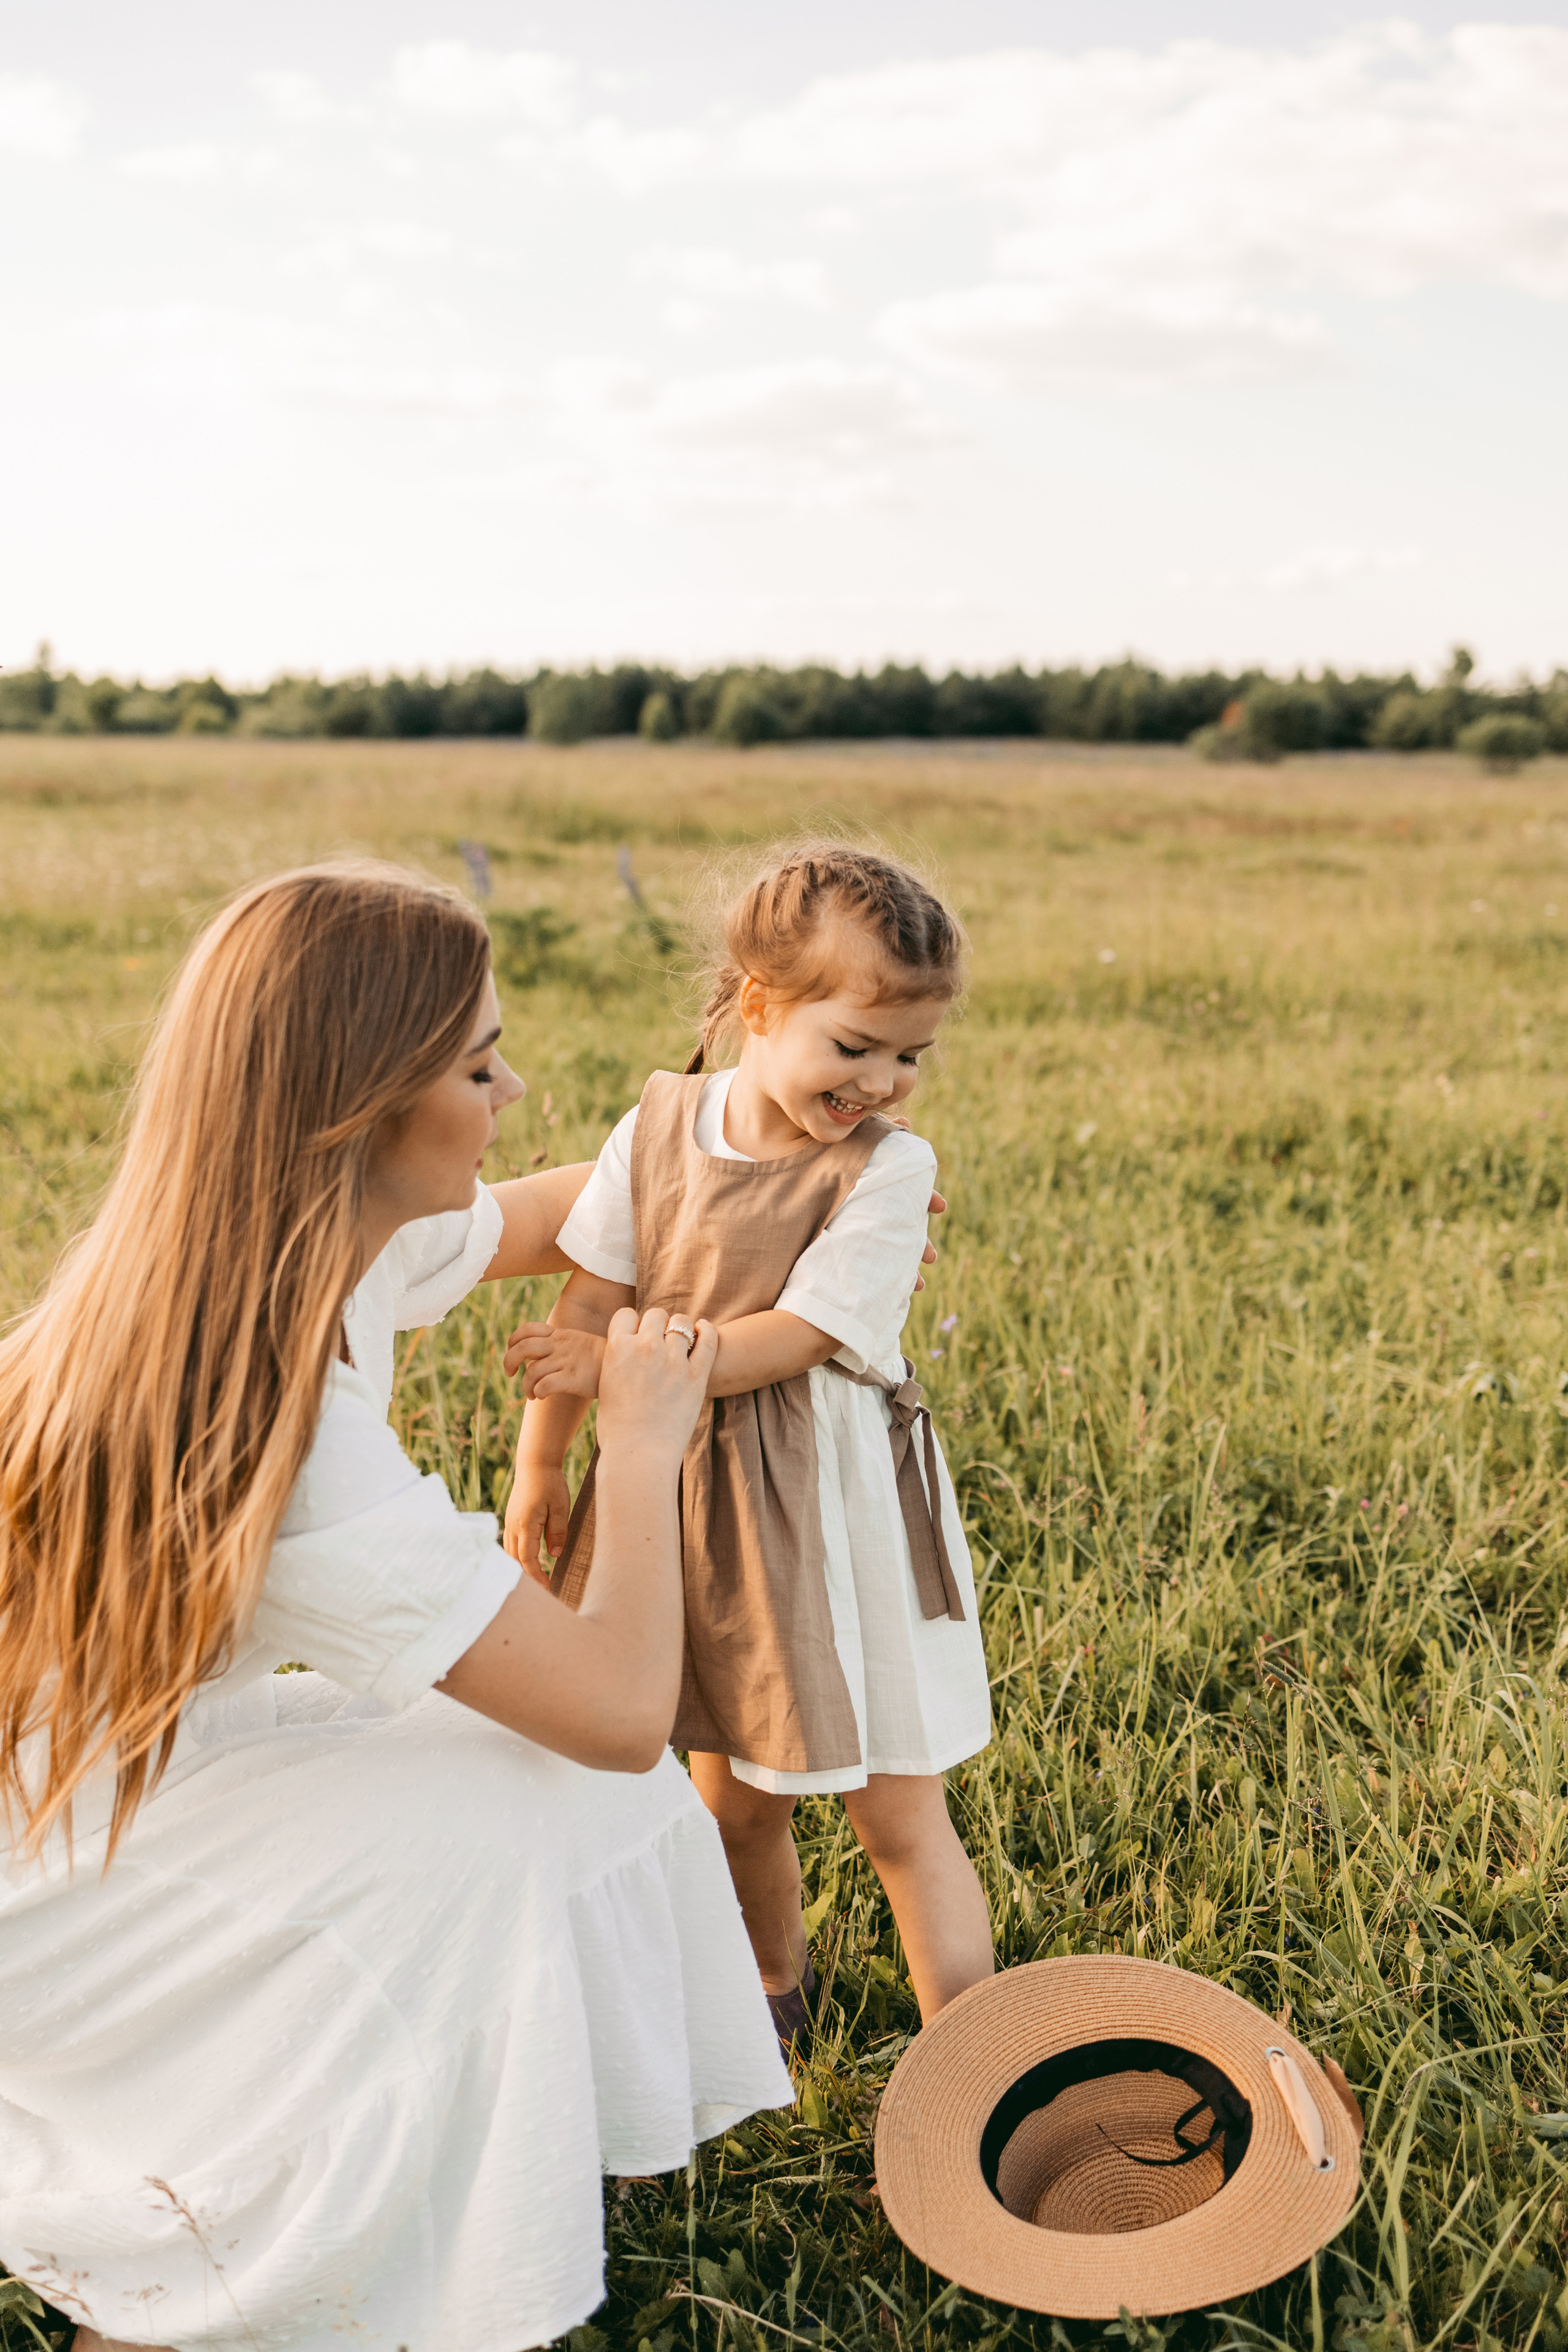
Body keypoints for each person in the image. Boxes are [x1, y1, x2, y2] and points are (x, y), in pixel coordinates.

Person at [0, 862, 793, 2352]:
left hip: (117, 1776)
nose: (517, 1087)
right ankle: (232, 2273)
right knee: (488, 1857)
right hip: (44, 1890)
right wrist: (642, 1441)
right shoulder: (279, 1435)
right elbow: (625, 1714)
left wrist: (808, 1173)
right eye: (479, 1062)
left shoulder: (288, 1246)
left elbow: (574, 1210)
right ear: (362, 1112)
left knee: (555, 1806)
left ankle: (473, 2144)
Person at [504, 843, 993, 2045]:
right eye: (854, 1046)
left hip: (833, 1519)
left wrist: (633, 1365)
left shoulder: (886, 1171)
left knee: (894, 1808)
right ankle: (773, 2000)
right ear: (759, 1008)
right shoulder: (657, 1123)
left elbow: (797, 1334)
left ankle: (973, 2057)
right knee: (730, 1793)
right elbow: (589, 1292)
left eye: (908, 1057)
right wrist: (542, 1459)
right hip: (689, 1503)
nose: (881, 1082)